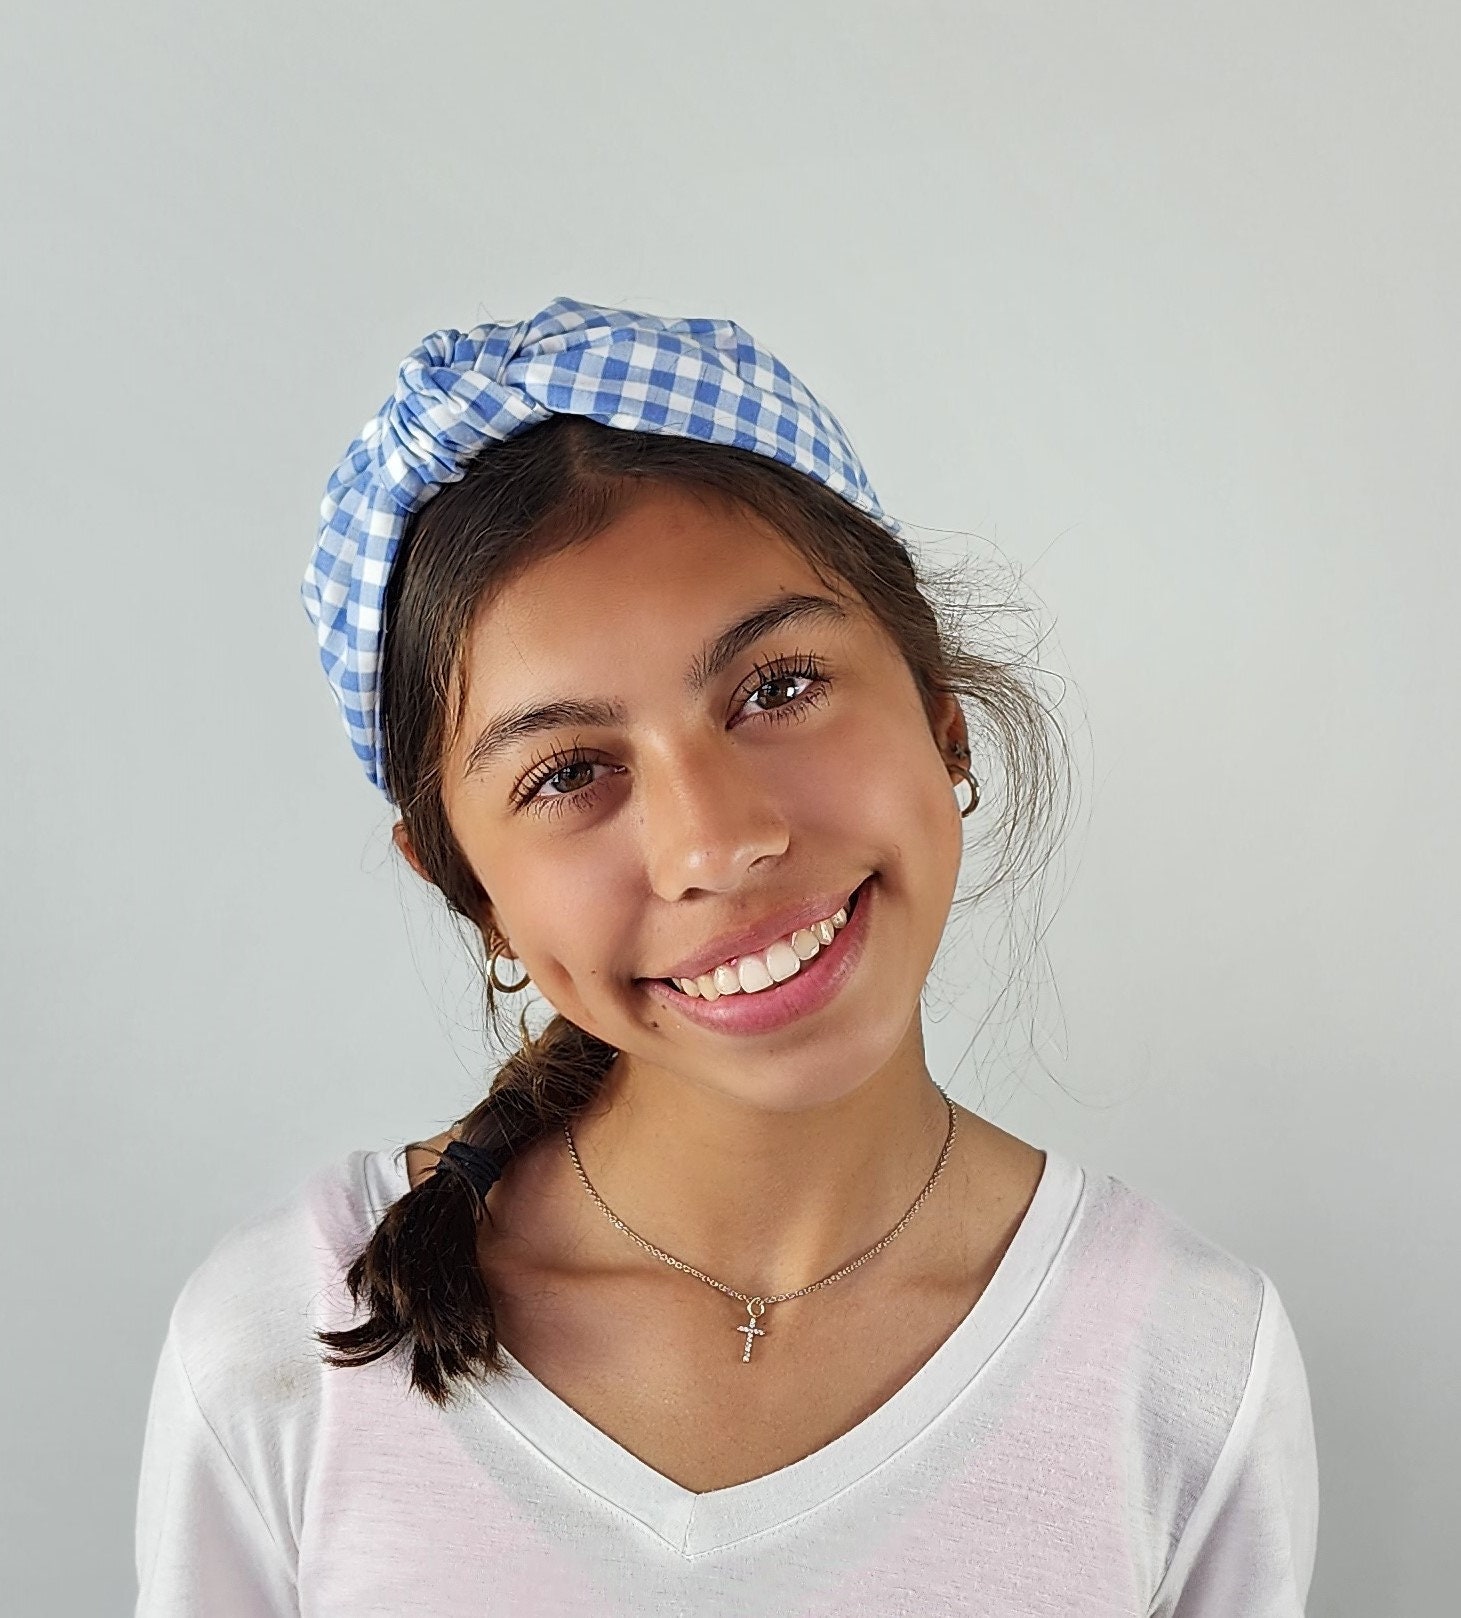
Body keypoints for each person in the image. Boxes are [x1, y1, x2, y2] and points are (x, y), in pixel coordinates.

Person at [133, 295, 1319, 1615]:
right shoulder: (282, 1350)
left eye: (778, 687)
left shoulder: (1187, 1367)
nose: (717, 843)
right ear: (472, 894)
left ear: (940, 720)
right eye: (568, 773)